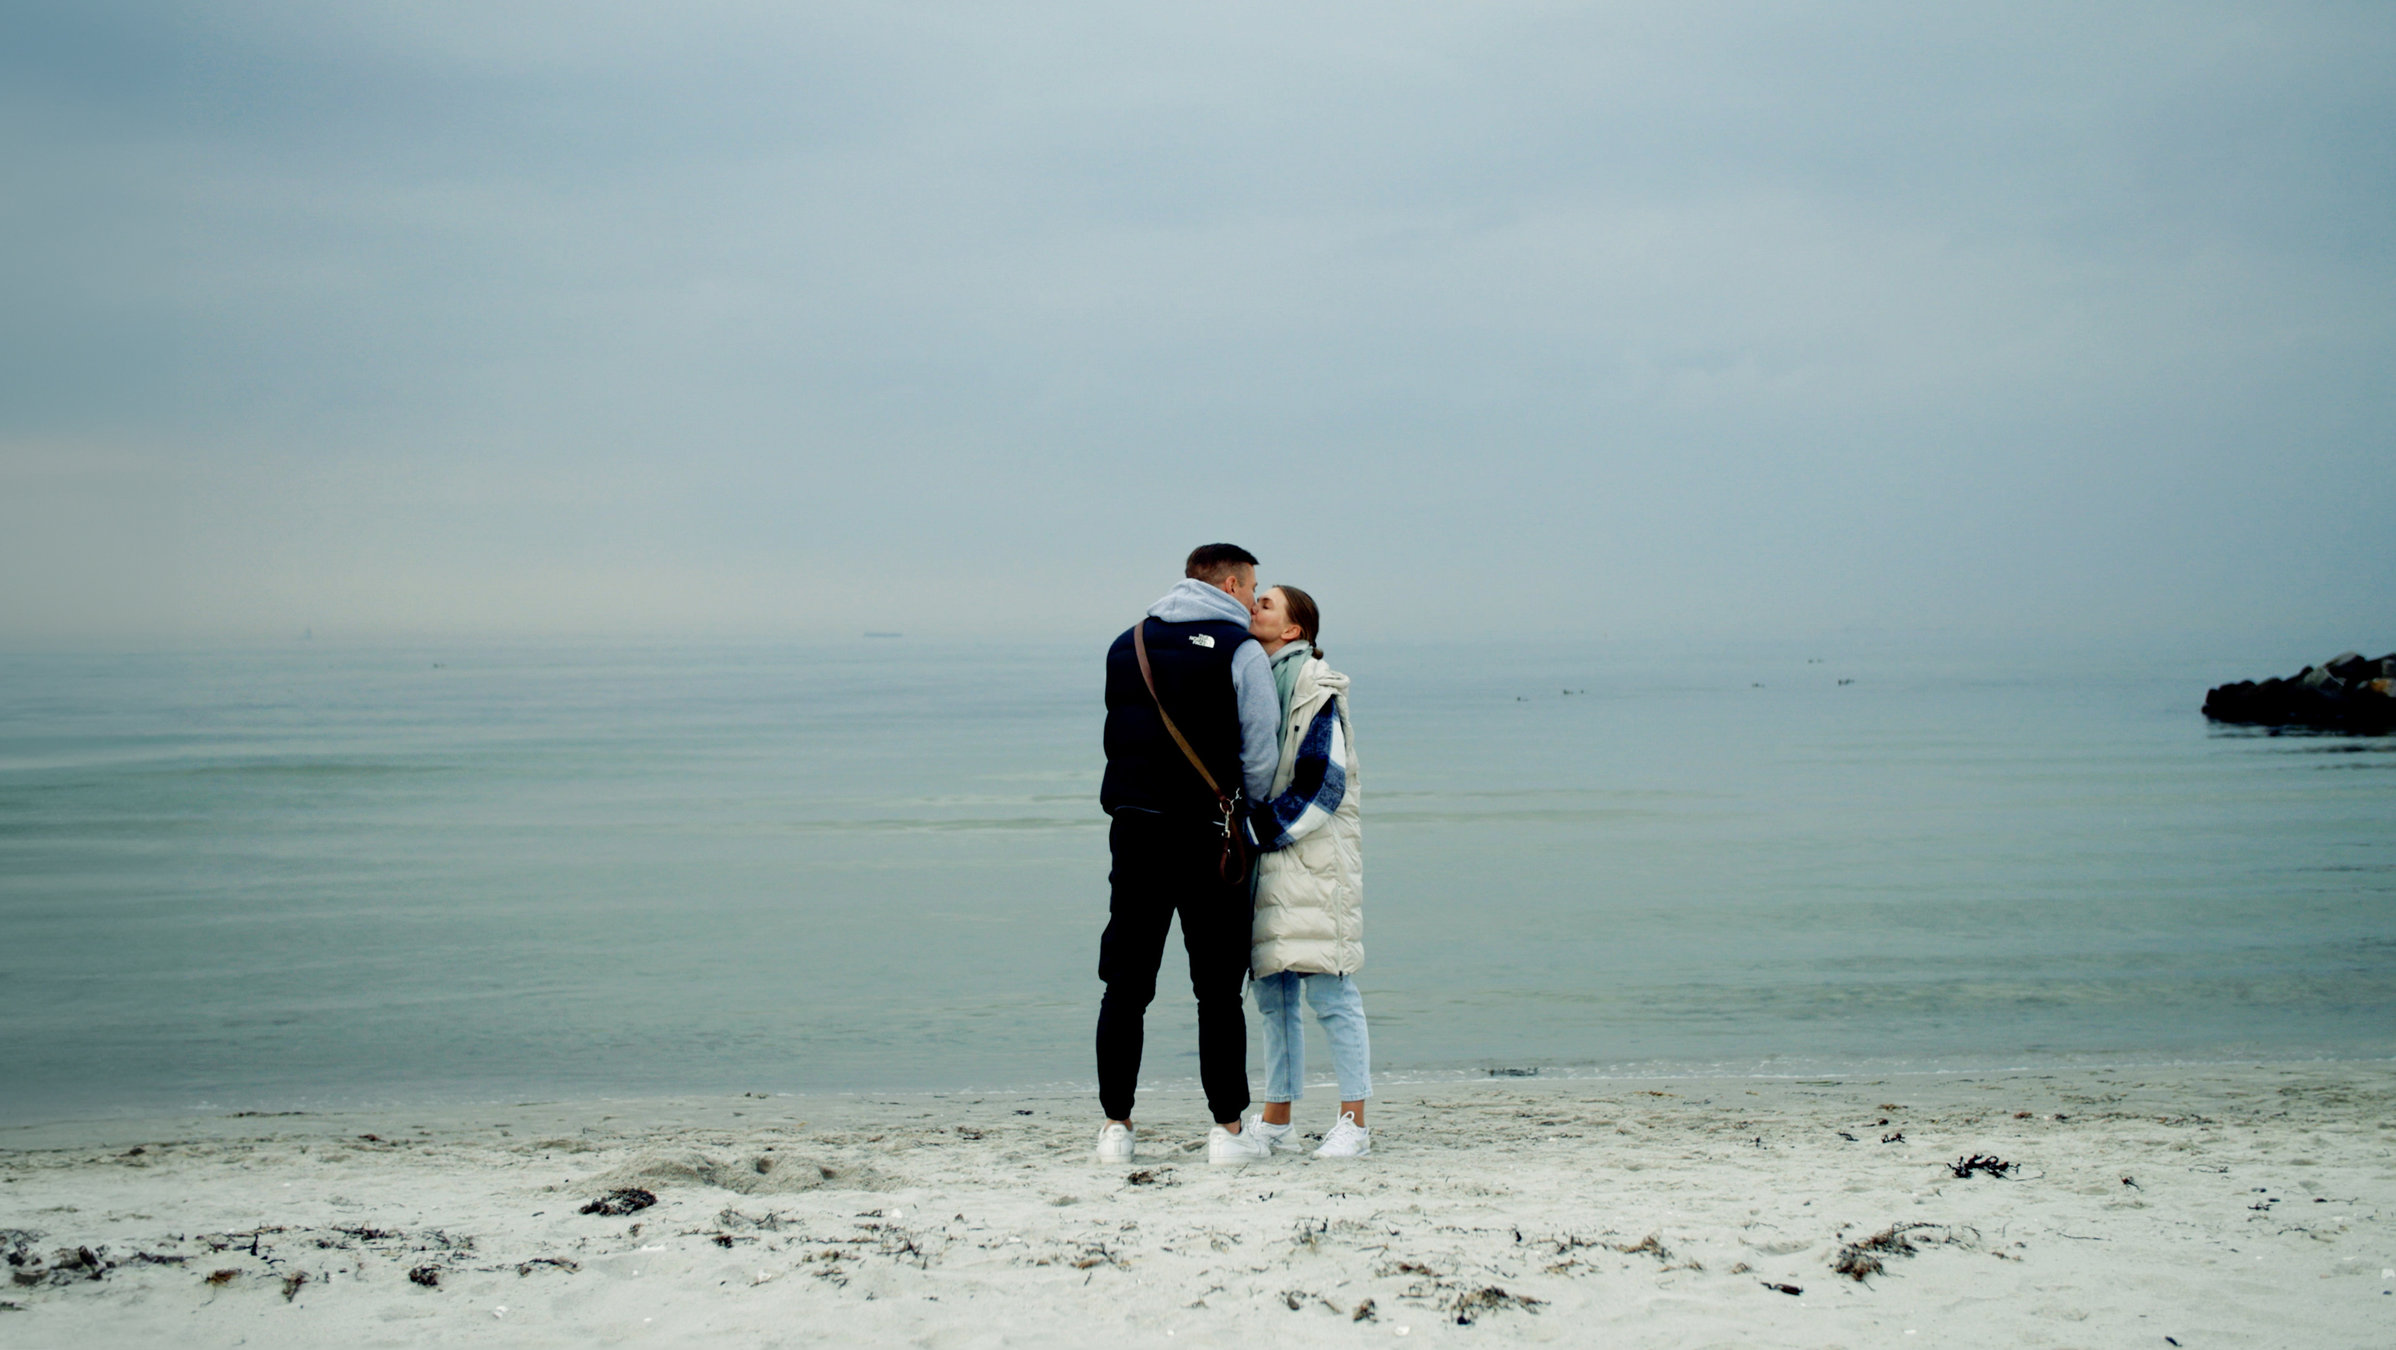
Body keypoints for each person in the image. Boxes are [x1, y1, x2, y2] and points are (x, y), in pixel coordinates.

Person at [1095, 544, 1282, 1166]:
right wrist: (1247, 819)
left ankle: (1116, 1128)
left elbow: (1115, 737)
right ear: (1229, 583)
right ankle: (1227, 1132)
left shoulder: (1127, 644)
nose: (1254, 600)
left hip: (1135, 829)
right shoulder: (1242, 651)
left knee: (1126, 980)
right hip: (1210, 834)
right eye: (1251, 587)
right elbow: (1260, 751)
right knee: (1217, 988)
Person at [1242, 585, 1371, 1158]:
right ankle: (1277, 1121)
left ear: (1294, 630)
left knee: (1330, 989)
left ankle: (1354, 1122)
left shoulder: (1316, 686)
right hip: (1269, 864)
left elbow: (1325, 783)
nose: (1254, 608)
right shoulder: (1257, 682)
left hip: (1314, 861)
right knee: (1274, 995)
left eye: (1266, 604)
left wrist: (1256, 831)